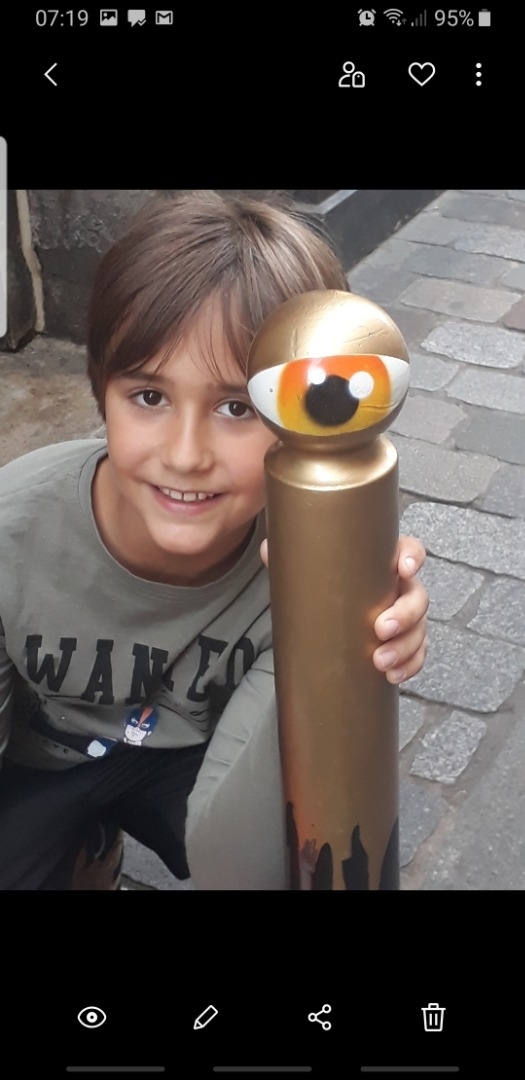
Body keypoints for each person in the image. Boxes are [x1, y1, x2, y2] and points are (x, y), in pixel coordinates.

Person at [0, 190, 428, 890]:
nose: (185, 455)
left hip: (196, 760)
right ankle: (87, 847)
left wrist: (365, 635)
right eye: (149, 397)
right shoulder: (13, 527)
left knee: (287, 866)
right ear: (101, 388)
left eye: (235, 407)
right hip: (43, 760)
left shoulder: (313, 546)